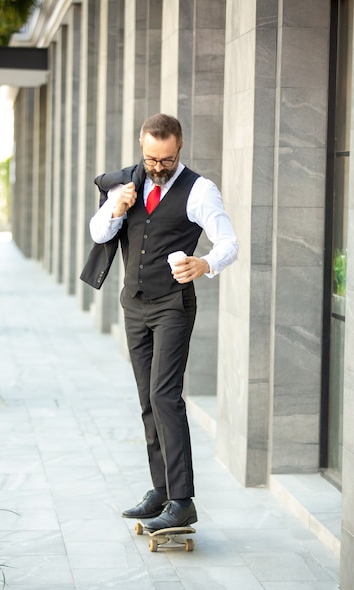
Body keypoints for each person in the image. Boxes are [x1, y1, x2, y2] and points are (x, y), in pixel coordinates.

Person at [89, 113, 238, 531]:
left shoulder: (200, 190)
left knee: (165, 396)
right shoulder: (125, 184)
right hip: (134, 304)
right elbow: (99, 234)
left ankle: (182, 500)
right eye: (152, 158)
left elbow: (229, 242)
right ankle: (161, 490)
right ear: (142, 144)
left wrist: (205, 262)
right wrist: (116, 208)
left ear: (180, 147)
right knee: (146, 400)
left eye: (167, 159)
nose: (158, 167)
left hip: (173, 305)